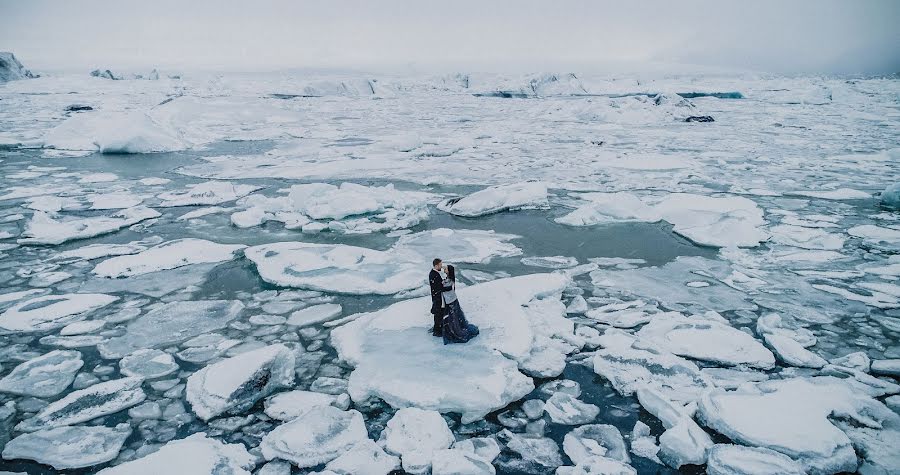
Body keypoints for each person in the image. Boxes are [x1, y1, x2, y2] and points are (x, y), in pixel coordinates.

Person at [439, 263, 479, 344]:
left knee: (453, 317)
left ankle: (455, 331)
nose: (444, 270)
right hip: (450, 300)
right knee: (453, 317)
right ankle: (452, 329)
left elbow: (447, 288)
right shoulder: (448, 278)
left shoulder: (450, 280)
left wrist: (440, 285)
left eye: (446, 269)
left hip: (451, 301)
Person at [428, 258, 445, 337]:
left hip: (438, 297)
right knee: (438, 314)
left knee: (439, 313)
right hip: (437, 297)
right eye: (440, 265)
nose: (442, 266)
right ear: (436, 265)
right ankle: (437, 331)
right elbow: (437, 286)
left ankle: (438, 328)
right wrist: (444, 284)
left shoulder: (436, 273)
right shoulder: (433, 274)